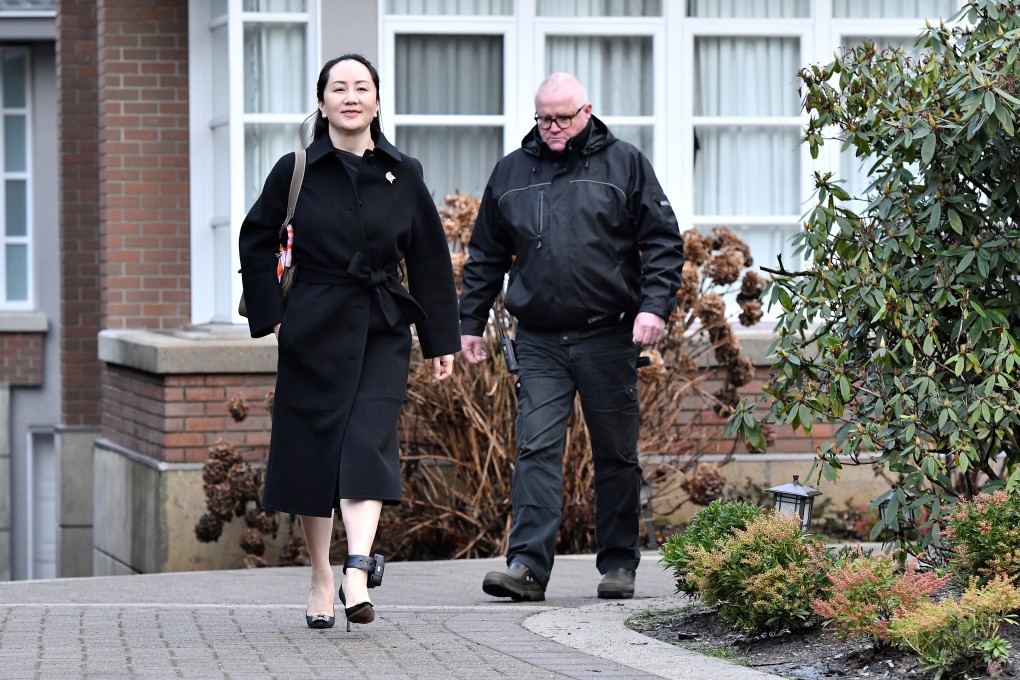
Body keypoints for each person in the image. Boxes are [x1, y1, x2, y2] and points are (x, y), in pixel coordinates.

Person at [238, 54, 460, 630]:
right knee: (314, 454)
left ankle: (356, 572)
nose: (351, 96)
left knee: (367, 441)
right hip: (312, 327)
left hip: (384, 325)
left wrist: (441, 341)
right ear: (322, 102)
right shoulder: (296, 170)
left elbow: (430, 260)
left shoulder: (403, 172)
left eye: (362, 87)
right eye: (339, 88)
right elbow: (255, 239)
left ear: (378, 102)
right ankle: (319, 576)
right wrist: (274, 315)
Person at [459, 72, 684, 601]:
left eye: (563, 117)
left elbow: (662, 241)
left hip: (608, 335)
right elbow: (486, 256)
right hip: (538, 338)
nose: (554, 128)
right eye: (544, 118)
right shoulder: (512, 172)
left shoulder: (625, 163)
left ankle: (619, 566)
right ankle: (527, 568)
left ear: (587, 111)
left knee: (615, 454)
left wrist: (654, 309)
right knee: (535, 450)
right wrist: (469, 323)